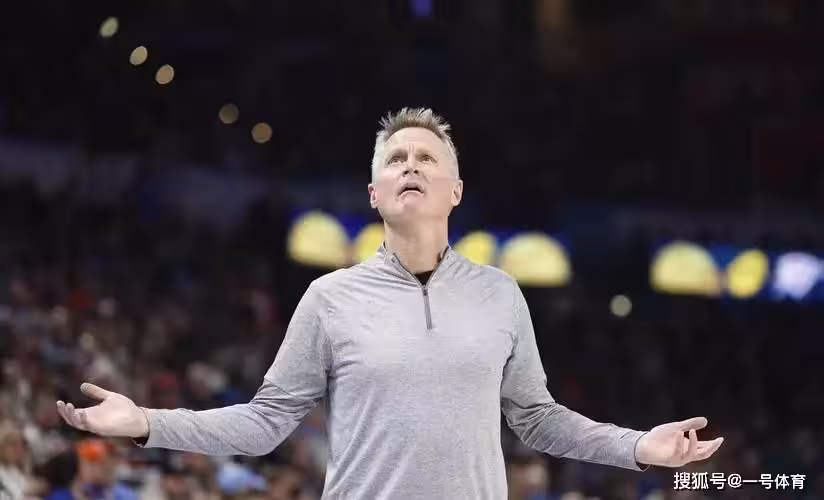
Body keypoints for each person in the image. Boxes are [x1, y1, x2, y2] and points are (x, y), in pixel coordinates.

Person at [57, 108, 724, 499]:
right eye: (396, 157)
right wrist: (145, 422)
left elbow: (539, 422)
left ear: (455, 191)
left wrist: (640, 447)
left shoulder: (500, 294)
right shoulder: (329, 298)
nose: (411, 164)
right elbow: (264, 424)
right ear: (374, 193)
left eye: (427, 158)